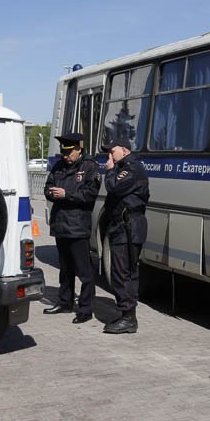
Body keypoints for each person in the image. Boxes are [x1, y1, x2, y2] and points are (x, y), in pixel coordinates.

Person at [43, 133, 101, 324]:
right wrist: (51, 193)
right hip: (61, 224)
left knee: (85, 272)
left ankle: (86, 309)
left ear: (78, 149)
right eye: (64, 153)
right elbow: (48, 186)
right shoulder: (59, 166)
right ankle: (64, 302)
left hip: (78, 226)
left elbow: (89, 194)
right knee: (65, 269)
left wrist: (66, 194)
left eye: (69, 153)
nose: (66, 156)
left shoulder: (89, 166)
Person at [100, 138, 149, 334]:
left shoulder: (131, 168)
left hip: (127, 227)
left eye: (112, 152)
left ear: (125, 150)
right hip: (123, 226)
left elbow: (113, 186)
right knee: (123, 271)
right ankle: (127, 314)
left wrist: (110, 170)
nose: (109, 156)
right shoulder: (125, 167)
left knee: (122, 272)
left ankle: (128, 317)